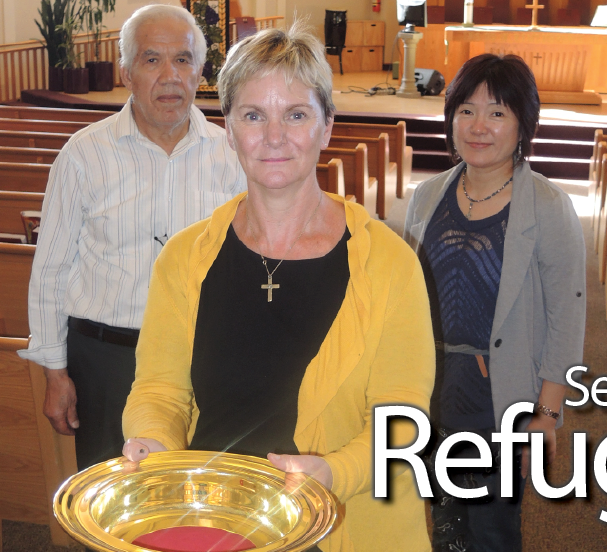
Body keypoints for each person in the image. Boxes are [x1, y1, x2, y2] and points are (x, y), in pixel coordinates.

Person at [121, 23, 435, 552]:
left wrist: (334, 473)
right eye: (252, 115)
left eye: (295, 114)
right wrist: (153, 442)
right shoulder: (184, 258)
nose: (273, 137)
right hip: (214, 523)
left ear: (327, 126)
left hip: (339, 525)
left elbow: (402, 421)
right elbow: (159, 390)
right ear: (229, 130)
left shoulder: (390, 264)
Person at [18, 4, 247, 470]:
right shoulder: (84, 156)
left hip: (200, 360)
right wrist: (55, 373)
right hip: (104, 361)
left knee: (197, 504)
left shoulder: (233, 156)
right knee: (111, 511)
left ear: (200, 71)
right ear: (126, 71)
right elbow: (51, 271)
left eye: (183, 60)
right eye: (151, 60)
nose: (169, 76)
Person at [403, 53, 586, 552]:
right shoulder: (427, 196)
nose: (479, 126)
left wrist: (546, 417)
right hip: (435, 394)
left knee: (492, 533)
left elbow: (566, 321)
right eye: (466, 109)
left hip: (500, 399)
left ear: (524, 124)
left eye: (497, 112)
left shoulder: (549, 207)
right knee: (442, 525)